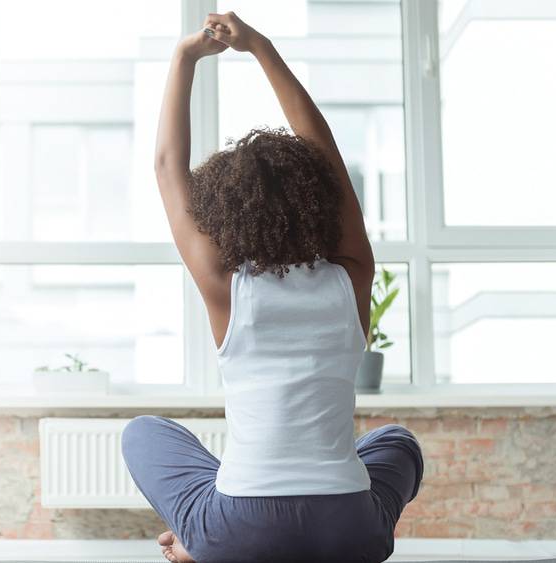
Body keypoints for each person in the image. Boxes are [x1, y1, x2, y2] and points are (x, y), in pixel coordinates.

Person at [121, 12, 424, 563]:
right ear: (318, 201)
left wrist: (185, 58)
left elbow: (169, 167)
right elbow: (325, 154)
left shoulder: (226, 287)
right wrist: (261, 49)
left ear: (223, 214)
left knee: (143, 433)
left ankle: (200, 544)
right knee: (398, 442)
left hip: (241, 530)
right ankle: (252, 530)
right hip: (351, 533)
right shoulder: (352, 274)